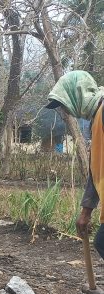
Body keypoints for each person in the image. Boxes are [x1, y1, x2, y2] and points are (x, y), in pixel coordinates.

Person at [51, 72, 104, 259]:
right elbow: (97, 169)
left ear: (77, 94)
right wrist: (86, 211)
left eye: (64, 104)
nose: (65, 111)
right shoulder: (96, 118)